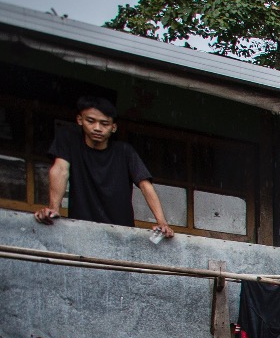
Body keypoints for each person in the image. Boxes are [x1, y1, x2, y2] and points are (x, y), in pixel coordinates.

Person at [33, 96, 174, 235]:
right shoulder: (69, 141)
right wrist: (53, 209)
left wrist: (162, 222)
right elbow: (60, 169)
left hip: (121, 233)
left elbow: (145, 185)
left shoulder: (124, 151)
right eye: (90, 121)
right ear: (80, 120)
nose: (97, 128)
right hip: (80, 229)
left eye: (104, 124)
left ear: (113, 127)